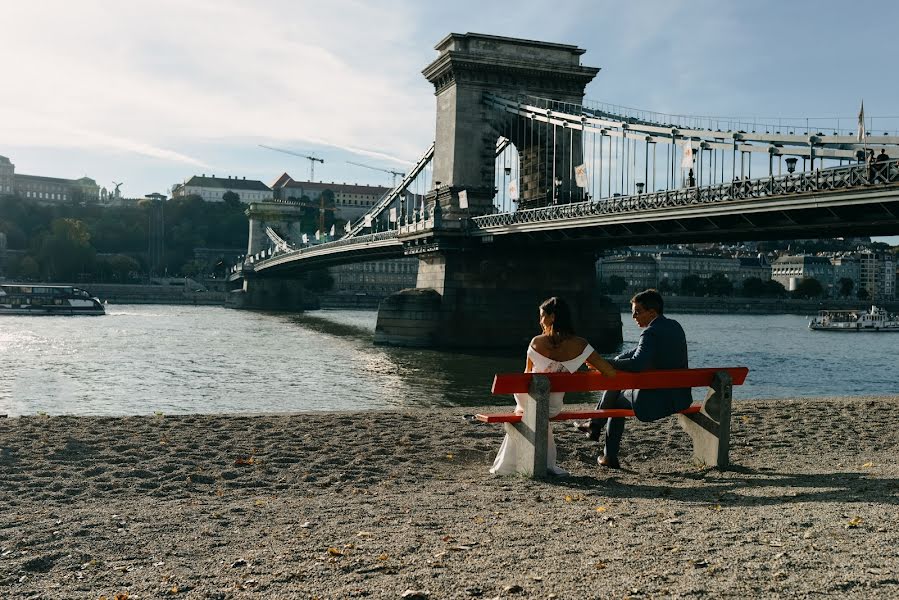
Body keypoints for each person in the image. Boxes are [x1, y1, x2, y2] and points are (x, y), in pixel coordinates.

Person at [490, 296, 616, 476]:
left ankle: (516, 464)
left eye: (542, 316)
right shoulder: (581, 345)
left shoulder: (536, 342)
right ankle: (543, 463)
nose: (540, 321)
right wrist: (591, 363)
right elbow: (609, 372)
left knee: (526, 410)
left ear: (553, 317)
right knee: (534, 411)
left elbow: (527, 375)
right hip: (553, 407)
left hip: (529, 399)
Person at [578, 289, 690, 469]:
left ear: (652, 313)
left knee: (615, 399)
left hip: (656, 400)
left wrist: (605, 364)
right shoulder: (674, 326)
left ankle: (604, 445)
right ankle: (595, 425)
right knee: (617, 386)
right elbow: (637, 351)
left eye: (637, 312)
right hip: (679, 396)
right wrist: (614, 360)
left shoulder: (650, 332)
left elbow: (637, 363)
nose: (633, 317)